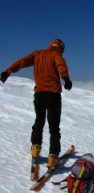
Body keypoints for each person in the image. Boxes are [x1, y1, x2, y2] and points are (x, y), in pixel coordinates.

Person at [1, 39, 71, 169]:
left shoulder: (37, 54)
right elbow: (61, 65)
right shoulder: (56, 55)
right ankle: (53, 156)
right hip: (53, 95)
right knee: (54, 127)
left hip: (39, 95)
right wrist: (66, 78)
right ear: (60, 47)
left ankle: (35, 149)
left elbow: (21, 62)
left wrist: (8, 71)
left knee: (39, 122)